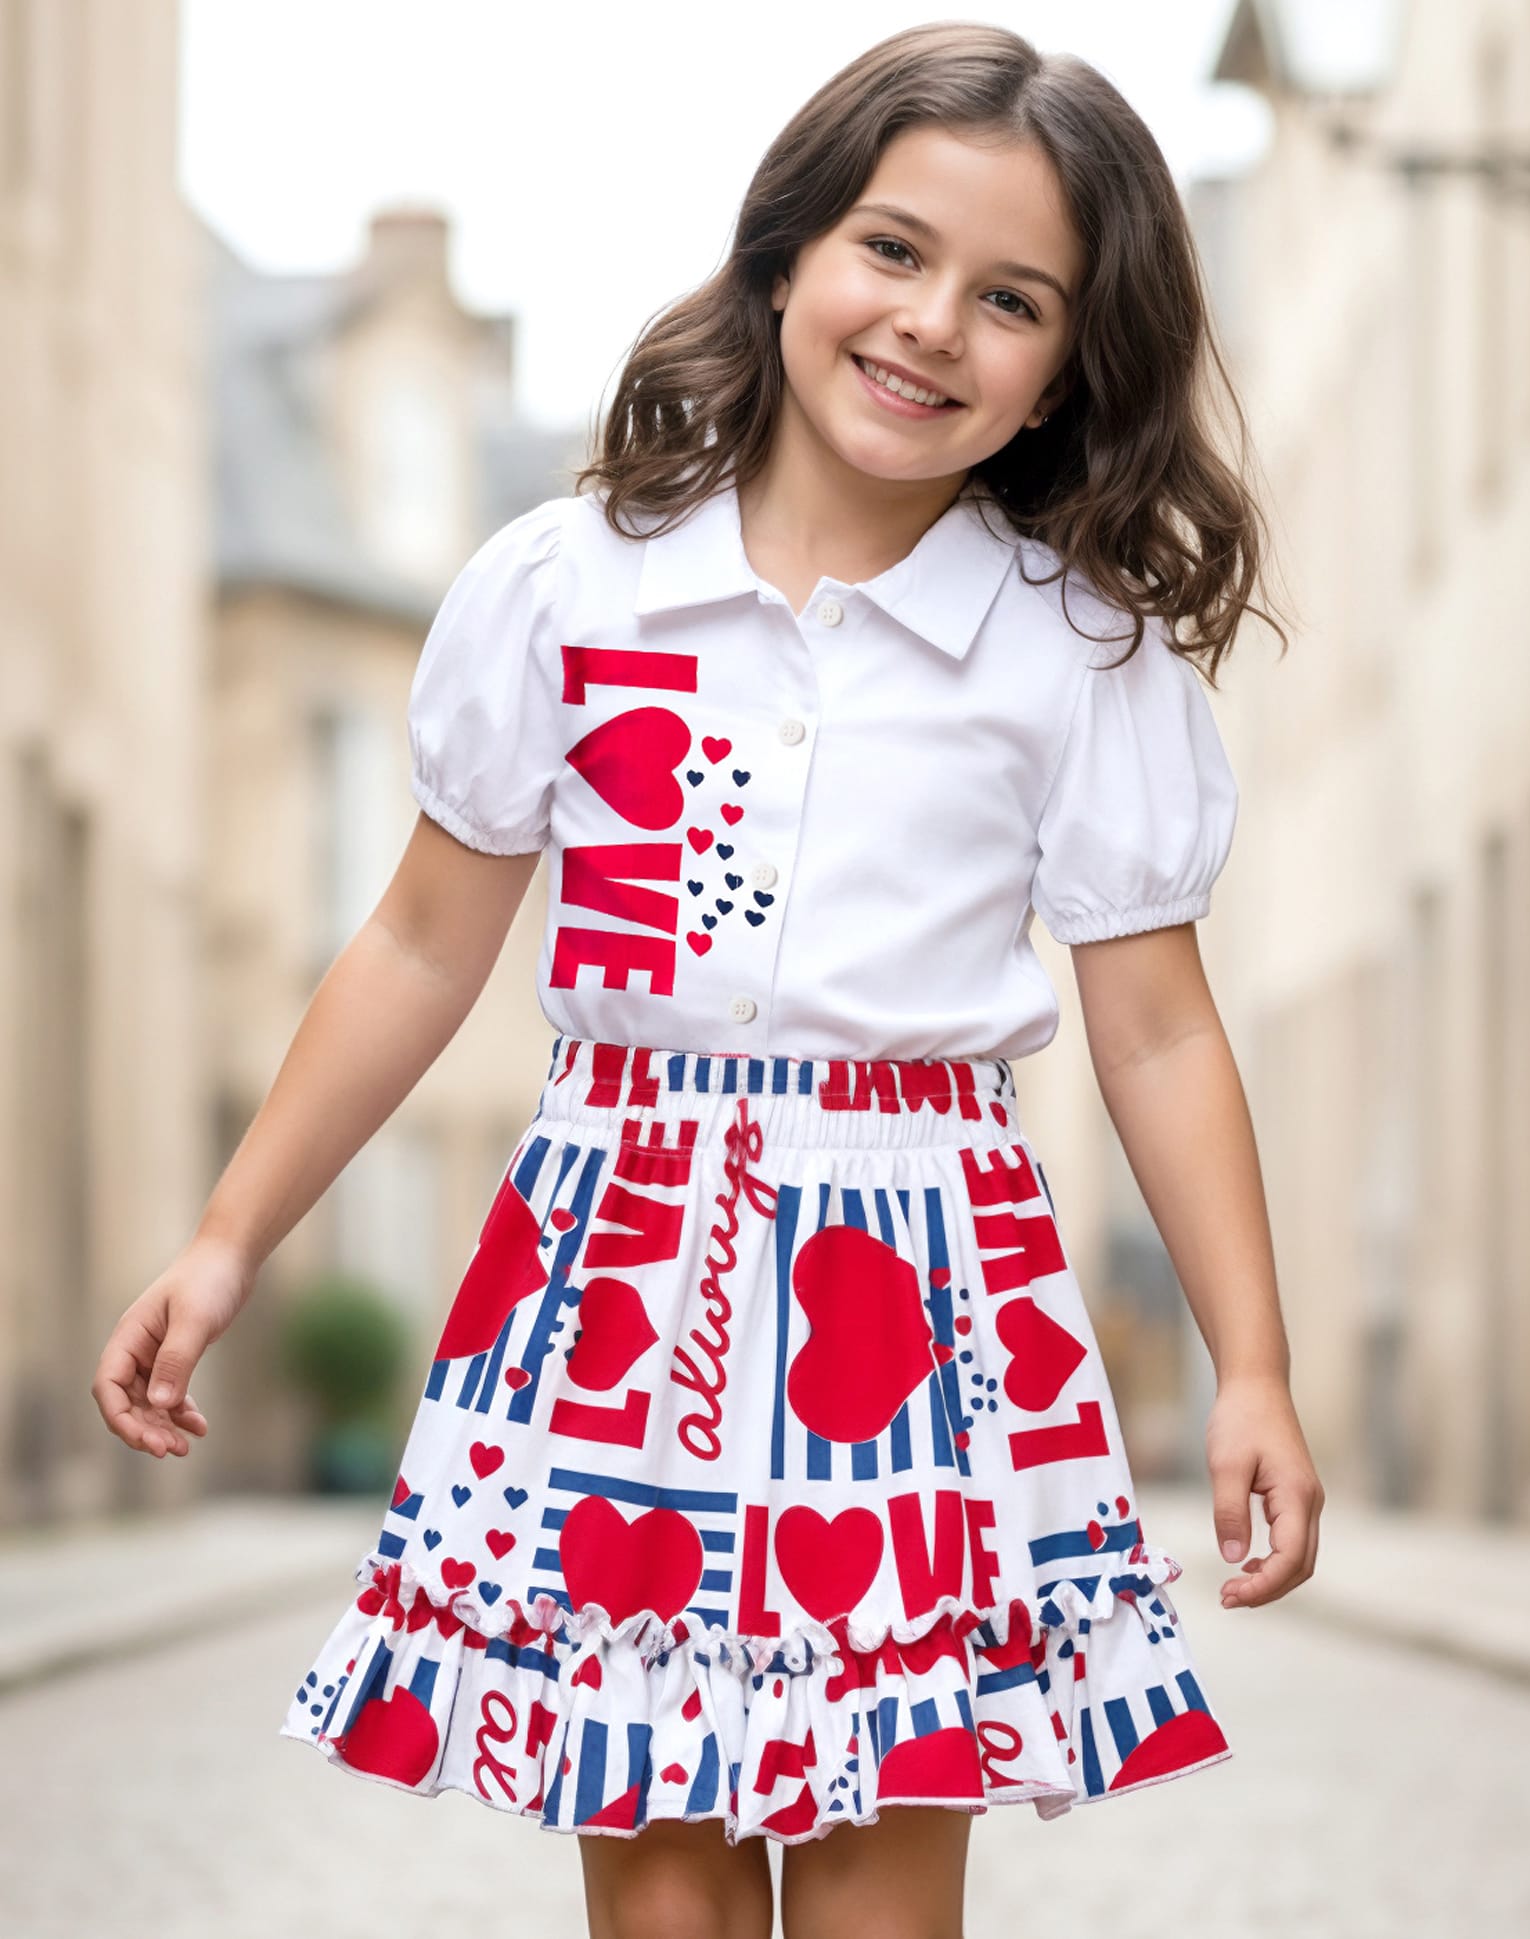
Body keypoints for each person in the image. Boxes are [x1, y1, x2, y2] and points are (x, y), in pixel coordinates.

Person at [92, 20, 1323, 1939]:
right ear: (788, 248)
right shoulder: (568, 587)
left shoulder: (1073, 656)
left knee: (876, 1906)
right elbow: (419, 940)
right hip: (621, 1277)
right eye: (893, 250)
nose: (931, 324)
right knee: (661, 1906)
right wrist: (230, 1237)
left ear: (1070, 369)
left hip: (920, 1297)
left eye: (1012, 300)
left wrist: (1251, 1366)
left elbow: (1157, 1030)